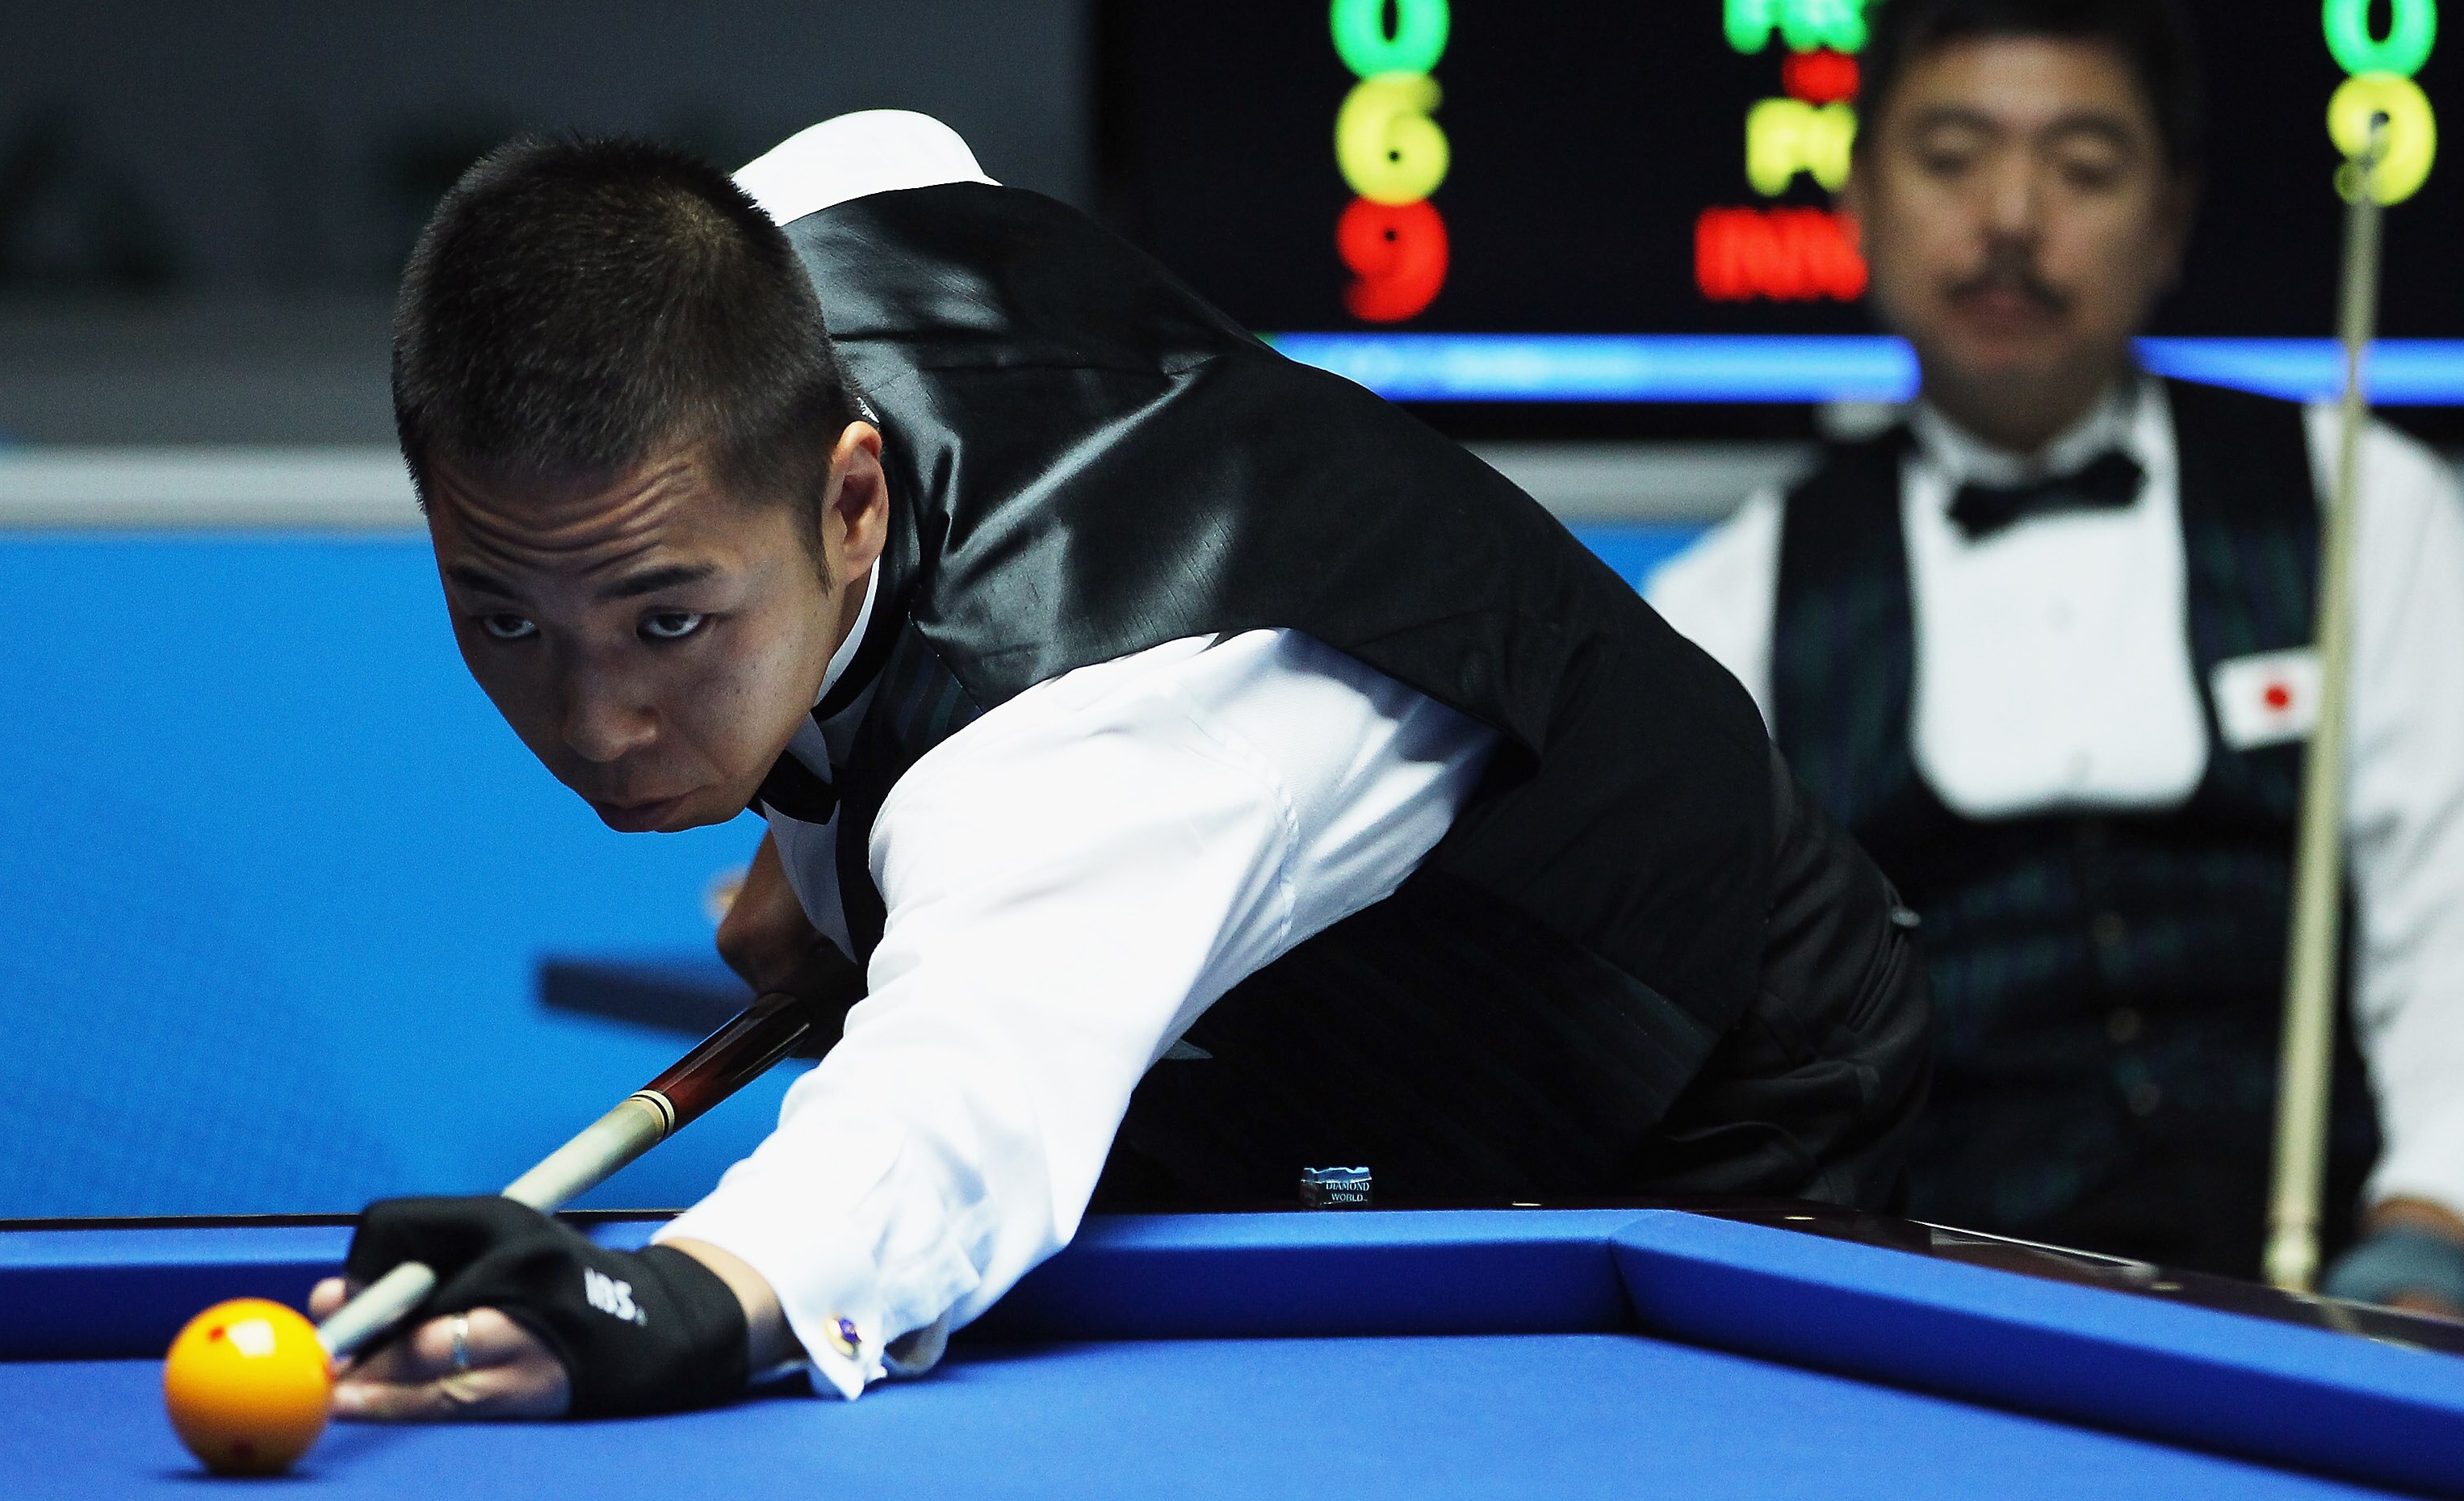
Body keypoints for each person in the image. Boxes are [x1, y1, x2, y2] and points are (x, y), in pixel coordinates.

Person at [308, 111, 1930, 1419]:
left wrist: (650, 1298)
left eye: (669, 626)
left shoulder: (1094, 743)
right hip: (1280, 986)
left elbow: (945, 1120)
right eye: (504, 624)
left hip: (1687, 1047)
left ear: (852, 500)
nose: (596, 724)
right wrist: (820, 840)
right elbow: (896, 141)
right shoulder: (790, 258)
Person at [1645, 0, 2464, 1328]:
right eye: (1952, 156)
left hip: (2351, 1286)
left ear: (2168, 220)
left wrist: (2428, 1225)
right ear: (1855, 198)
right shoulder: (1735, 602)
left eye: (2083, 168)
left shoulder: (2354, 505)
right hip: (1949, 1308)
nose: (2014, 219)